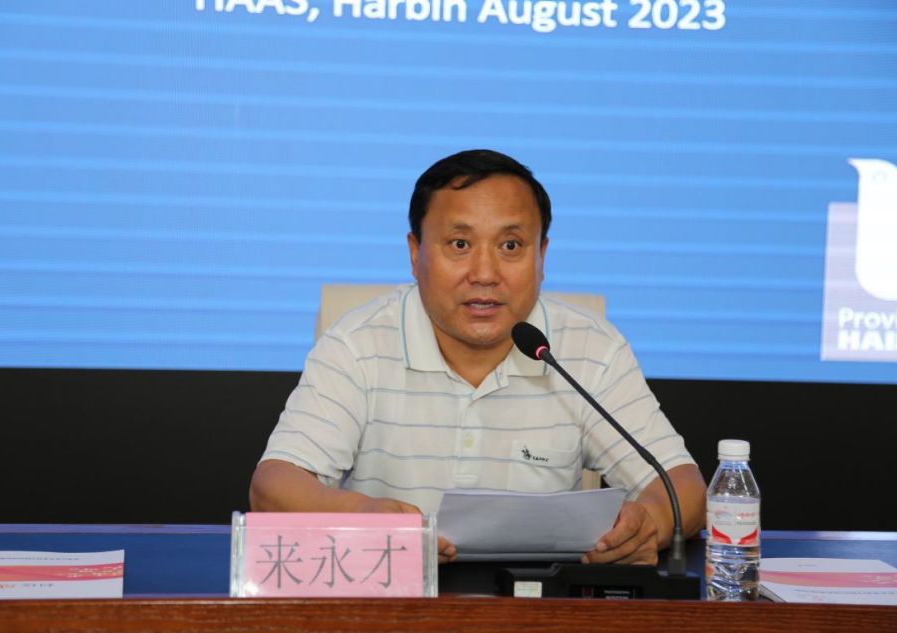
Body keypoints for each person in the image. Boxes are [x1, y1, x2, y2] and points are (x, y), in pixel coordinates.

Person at [250, 149, 706, 565]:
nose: (485, 274)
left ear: (542, 255)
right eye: (459, 245)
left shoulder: (589, 350)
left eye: (510, 246)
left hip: (539, 607)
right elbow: (273, 486)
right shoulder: (357, 344)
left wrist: (650, 523)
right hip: (394, 601)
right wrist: (362, 517)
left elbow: (683, 487)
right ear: (415, 253)